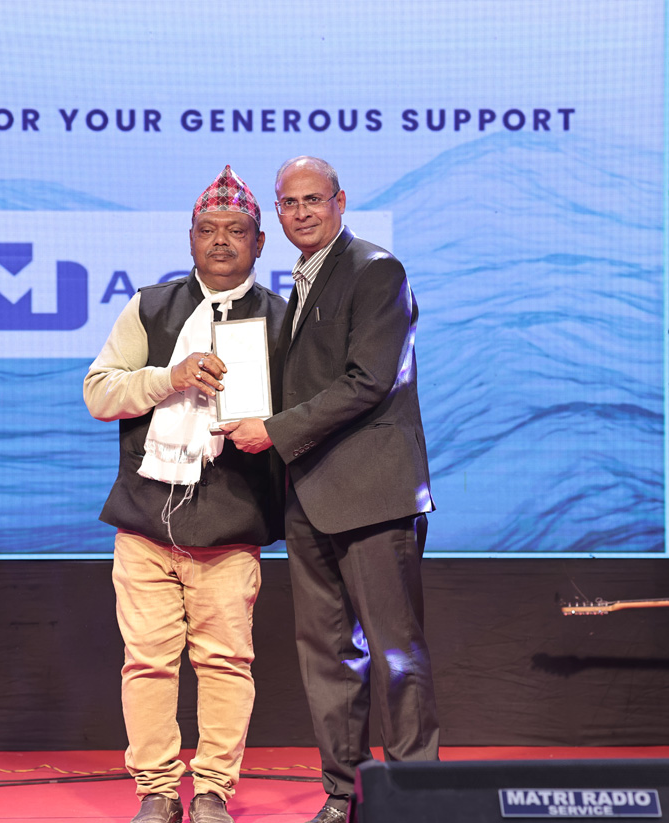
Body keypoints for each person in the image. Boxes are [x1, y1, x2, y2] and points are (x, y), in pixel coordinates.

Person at [222, 156, 439, 823]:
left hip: (373, 496)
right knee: (328, 658)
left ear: (341, 202)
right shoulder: (301, 281)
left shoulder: (376, 270)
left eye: (314, 199)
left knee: (396, 652)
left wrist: (272, 430)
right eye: (289, 203)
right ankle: (344, 794)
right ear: (277, 213)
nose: (302, 212)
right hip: (309, 497)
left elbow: (368, 381)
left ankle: (413, 797)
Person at [84, 165, 287, 823]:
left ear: (260, 242)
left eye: (236, 230)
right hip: (145, 521)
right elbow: (99, 393)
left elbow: (308, 415)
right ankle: (157, 791)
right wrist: (167, 378)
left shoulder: (284, 320)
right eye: (208, 229)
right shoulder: (150, 307)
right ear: (190, 238)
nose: (220, 241)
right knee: (146, 662)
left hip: (231, 520)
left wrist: (268, 426)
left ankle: (213, 791)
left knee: (226, 662)